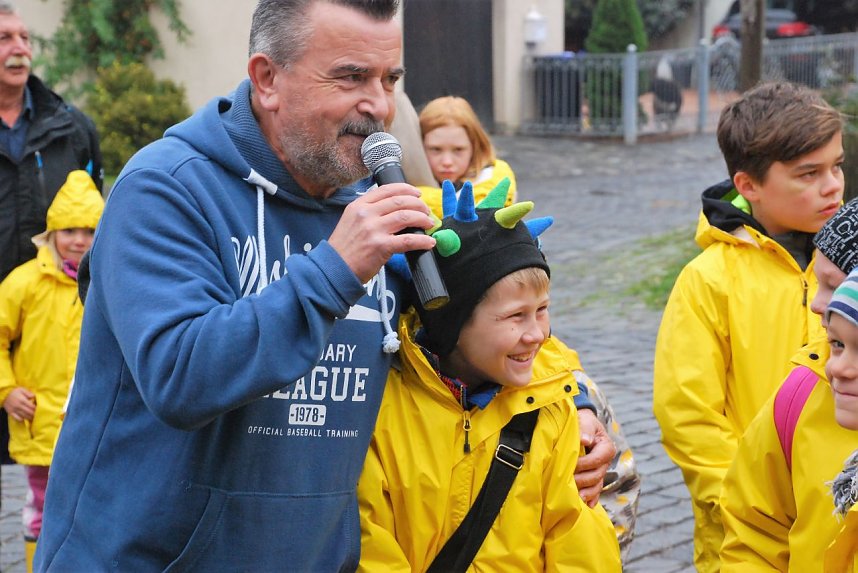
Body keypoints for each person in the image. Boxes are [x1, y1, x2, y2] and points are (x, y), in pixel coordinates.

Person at [35, 1, 439, 570]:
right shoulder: (164, 189)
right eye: (351, 77)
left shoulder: (372, 211)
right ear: (267, 79)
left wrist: (571, 411)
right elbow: (179, 376)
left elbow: (465, 354)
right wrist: (334, 270)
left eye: (389, 79)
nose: (378, 105)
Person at [357, 181, 622, 570]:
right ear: (454, 325)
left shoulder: (553, 414)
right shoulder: (382, 414)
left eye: (543, 309)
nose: (538, 334)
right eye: (516, 316)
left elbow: (577, 540)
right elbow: (370, 544)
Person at [652, 81, 844, 573]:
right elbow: (687, 415)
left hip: (838, 522)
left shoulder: (849, 268)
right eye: (809, 173)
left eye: (836, 166)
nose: (833, 185)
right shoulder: (709, 280)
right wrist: (747, 500)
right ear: (749, 186)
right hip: (746, 537)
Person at [0, 0, 101, 521]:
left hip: (53, 321)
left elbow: (96, 210)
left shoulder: (71, 128)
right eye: (4, 39)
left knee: (50, 472)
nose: (18, 49)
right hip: (5, 318)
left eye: (23, 38)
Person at [719, 199, 858, 571]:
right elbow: (754, 532)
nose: (817, 304)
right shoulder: (805, 388)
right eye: (816, 281)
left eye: (834, 285)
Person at [0, 170, 103, 572]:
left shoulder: (109, 282)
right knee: (42, 504)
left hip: (92, 420)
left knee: (91, 504)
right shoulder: (24, 283)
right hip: (40, 421)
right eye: (69, 230)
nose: (78, 240)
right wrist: (6, 389)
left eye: (89, 230)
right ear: (52, 233)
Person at [417, 95, 516, 218]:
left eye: (458, 150)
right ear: (420, 147)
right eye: (436, 149)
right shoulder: (399, 177)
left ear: (475, 147)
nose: (447, 162)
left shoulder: (492, 181)